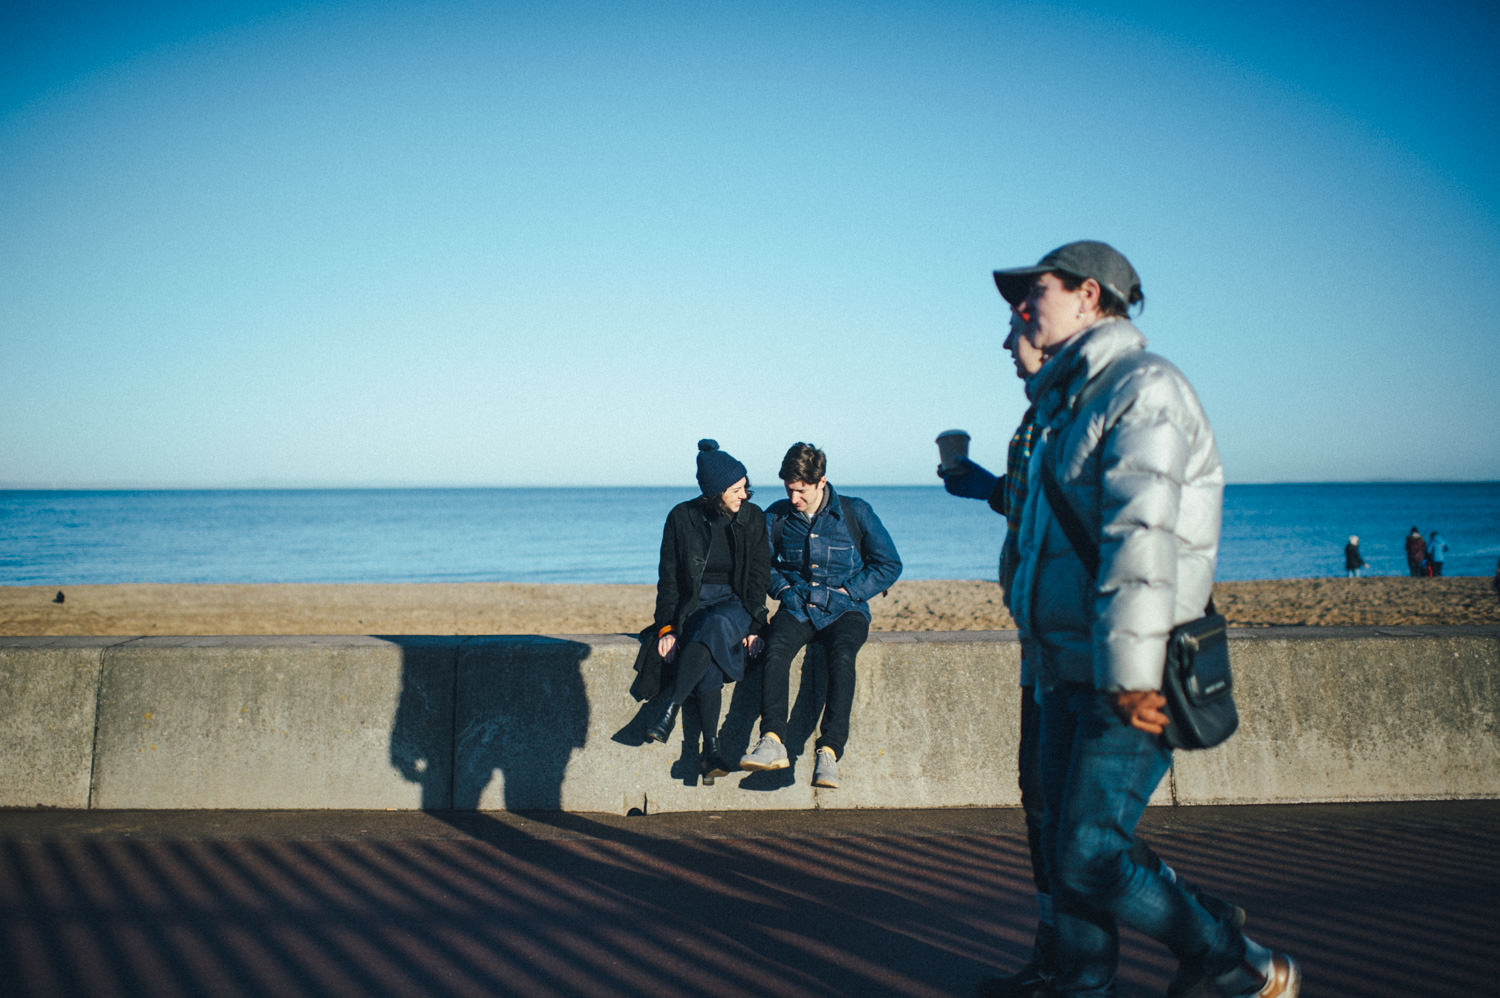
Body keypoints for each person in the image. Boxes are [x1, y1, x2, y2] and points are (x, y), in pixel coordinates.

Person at [993, 241, 1298, 997]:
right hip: (1066, 664)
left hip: (1134, 671)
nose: (1021, 310)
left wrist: (1128, 679)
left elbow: (1142, 539)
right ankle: (1082, 983)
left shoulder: (1143, 388)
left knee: (1089, 854)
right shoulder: (1069, 403)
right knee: (1071, 847)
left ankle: (1230, 955)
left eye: (1035, 293)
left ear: (1089, 296)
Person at [945, 288, 1240, 998]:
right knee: (1051, 817)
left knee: (1082, 839)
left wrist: (1131, 671)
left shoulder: (1121, 397)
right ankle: (1067, 968)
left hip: (1108, 656)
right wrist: (972, 482)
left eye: (1018, 331)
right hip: (1050, 653)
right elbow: (1027, 507)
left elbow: (1133, 538)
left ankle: (1212, 941)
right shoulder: (1043, 419)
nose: (1008, 345)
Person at [738, 443, 902, 788]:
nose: (794, 498)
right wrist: (783, 589)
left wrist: (850, 592)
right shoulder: (776, 517)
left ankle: (828, 751)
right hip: (797, 605)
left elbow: (888, 564)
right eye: (789, 489)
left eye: (801, 490)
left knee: (842, 657)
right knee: (775, 649)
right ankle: (772, 740)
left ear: (821, 482)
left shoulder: (856, 512)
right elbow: (760, 567)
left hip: (847, 609)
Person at [638, 440, 770, 781]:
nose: (745, 496)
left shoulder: (753, 519)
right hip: (695, 603)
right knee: (705, 642)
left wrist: (756, 624)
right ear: (716, 491)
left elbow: (758, 578)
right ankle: (710, 752)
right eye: (737, 490)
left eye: (745, 488)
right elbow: (668, 578)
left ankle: (669, 709)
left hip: (736, 604)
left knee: (713, 626)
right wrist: (666, 627)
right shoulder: (682, 517)